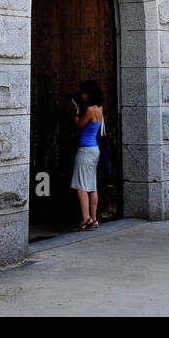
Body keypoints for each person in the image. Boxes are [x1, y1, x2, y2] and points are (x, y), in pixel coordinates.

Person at [69, 79, 103, 231]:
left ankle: (85, 218)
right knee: (92, 185)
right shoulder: (99, 108)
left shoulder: (89, 110)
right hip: (94, 149)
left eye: (83, 93)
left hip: (85, 151)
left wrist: (76, 112)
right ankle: (94, 219)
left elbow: (78, 125)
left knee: (80, 185)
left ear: (89, 94)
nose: (82, 95)